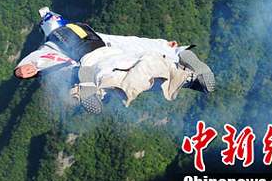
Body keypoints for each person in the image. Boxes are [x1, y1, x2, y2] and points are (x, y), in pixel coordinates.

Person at [14, 7, 215, 114]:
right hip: (117, 54)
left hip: (94, 65)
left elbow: (38, 59)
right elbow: (129, 42)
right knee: (152, 66)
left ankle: (87, 89)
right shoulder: (91, 32)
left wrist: (23, 68)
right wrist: (167, 47)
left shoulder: (51, 45)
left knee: (115, 82)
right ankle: (188, 75)